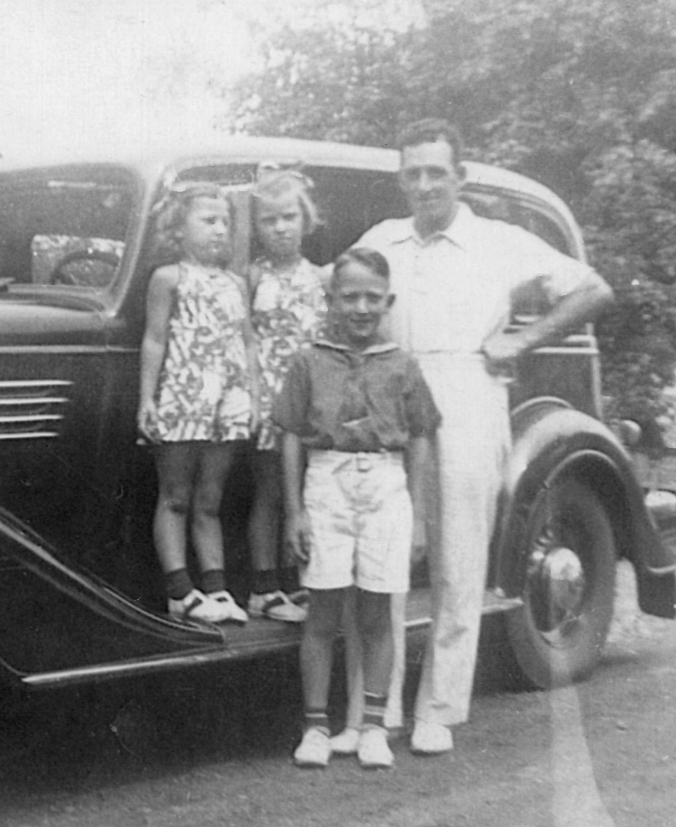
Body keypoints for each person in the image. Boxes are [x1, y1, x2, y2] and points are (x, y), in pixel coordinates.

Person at [355, 119, 614, 754]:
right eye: (412, 174)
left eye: (436, 172)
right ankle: (377, 710)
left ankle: (439, 709)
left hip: (467, 392)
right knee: (384, 554)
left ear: (460, 177)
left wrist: (522, 340)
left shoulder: (498, 241)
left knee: (459, 557)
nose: (424, 185)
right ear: (401, 179)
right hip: (392, 396)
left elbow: (593, 289)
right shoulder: (383, 239)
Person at [274, 248, 441, 769]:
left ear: (388, 301)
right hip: (327, 483)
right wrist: (295, 512)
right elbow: (291, 436)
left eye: (372, 297)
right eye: (350, 297)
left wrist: (417, 514)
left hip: (386, 485)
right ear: (331, 300)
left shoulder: (403, 364)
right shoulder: (308, 361)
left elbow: (420, 437)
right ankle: (316, 727)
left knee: (377, 613)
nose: (361, 308)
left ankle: (372, 726)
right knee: (323, 611)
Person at [138, 182, 260, 625]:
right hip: (184, 397)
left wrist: (253, 397)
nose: (219, 229)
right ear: (179, 228)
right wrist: (147, 399)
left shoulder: (236, 283)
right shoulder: (168, 278)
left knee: (210, 498)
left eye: (225, 221)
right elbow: (155, 339)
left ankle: (215, 587)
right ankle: (179, 590)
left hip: (226, 400)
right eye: (208, 220)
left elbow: (247, 342)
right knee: (175, 495)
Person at [246, 168, 325, 624]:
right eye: (269, 219)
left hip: (312, 397)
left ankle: (304, 580)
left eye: (288, 217)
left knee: (311, 490)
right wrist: (256, 396)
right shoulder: (253, 276)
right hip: (271, 397)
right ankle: (264, 588)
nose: (279, 227)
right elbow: (246, 339)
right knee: (271, 491)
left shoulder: (321, 277)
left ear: (305, 219)